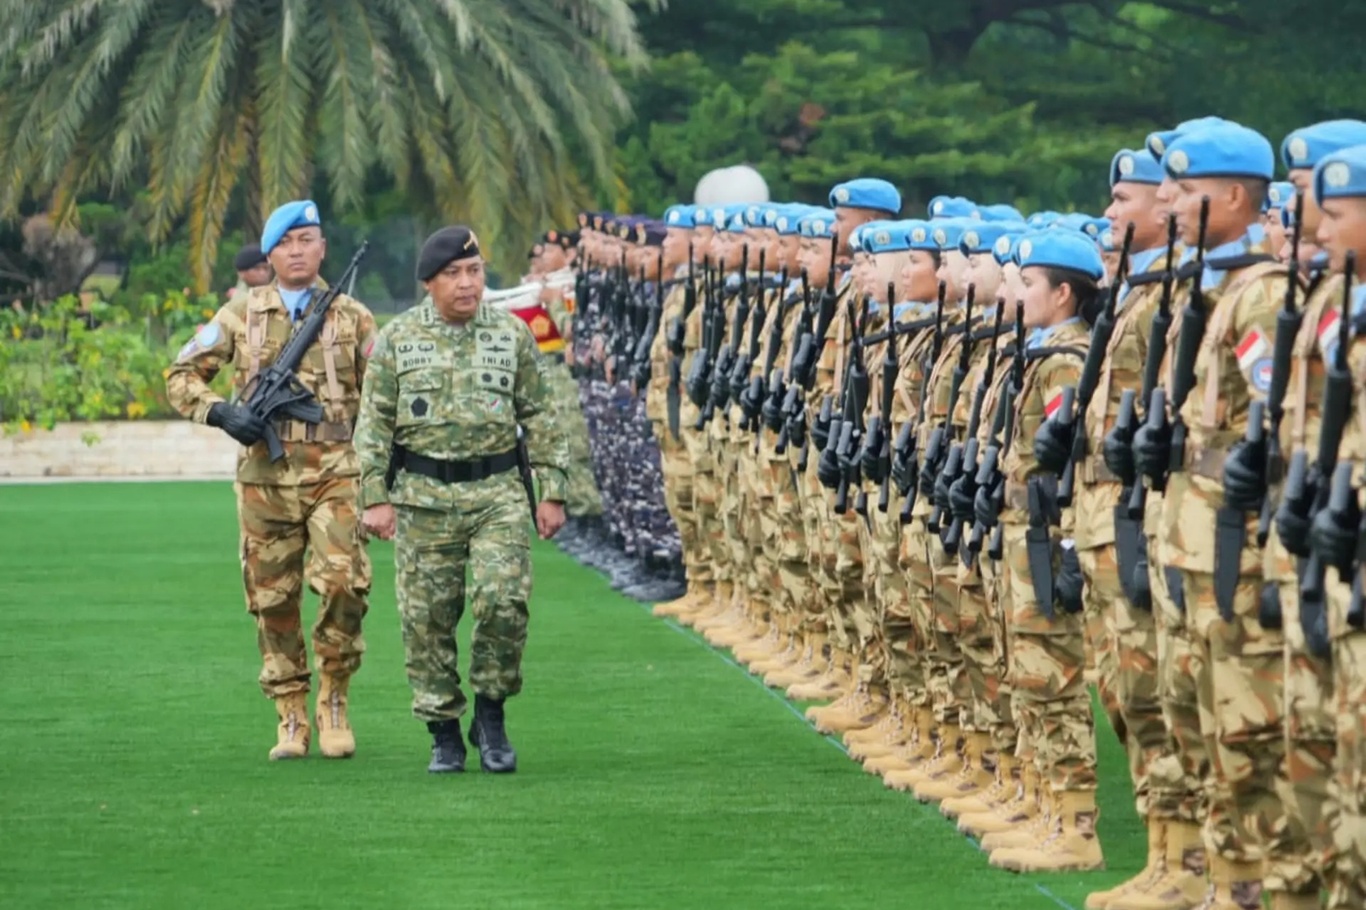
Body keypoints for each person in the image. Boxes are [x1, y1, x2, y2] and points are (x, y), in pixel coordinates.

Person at [353, 225, 570, 775]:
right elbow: (372, 426)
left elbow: (540, 414)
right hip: (422, 499)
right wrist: (374, 498)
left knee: (503, 601)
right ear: (430, 283)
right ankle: (443, 729)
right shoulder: (397, 340)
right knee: (427, 620)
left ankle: (491, 714)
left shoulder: (511, 335)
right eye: (454, 274)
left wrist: (553, 491)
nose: (467, 284)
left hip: (497, 493)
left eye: (474, 272)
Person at [165, 200, 377, 762]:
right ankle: (290, 712)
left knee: (343, 585)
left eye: (308, 239)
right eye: (287, 243)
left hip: (337, 470)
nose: (298, 250)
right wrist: (221, 413)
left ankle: (334, 697)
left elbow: (384, 399)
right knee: (271, 598)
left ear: (323, 248)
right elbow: (181, 375)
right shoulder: (238, 315)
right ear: (270, 252)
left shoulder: (353, 315)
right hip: (264, 476)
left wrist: (384, 480)